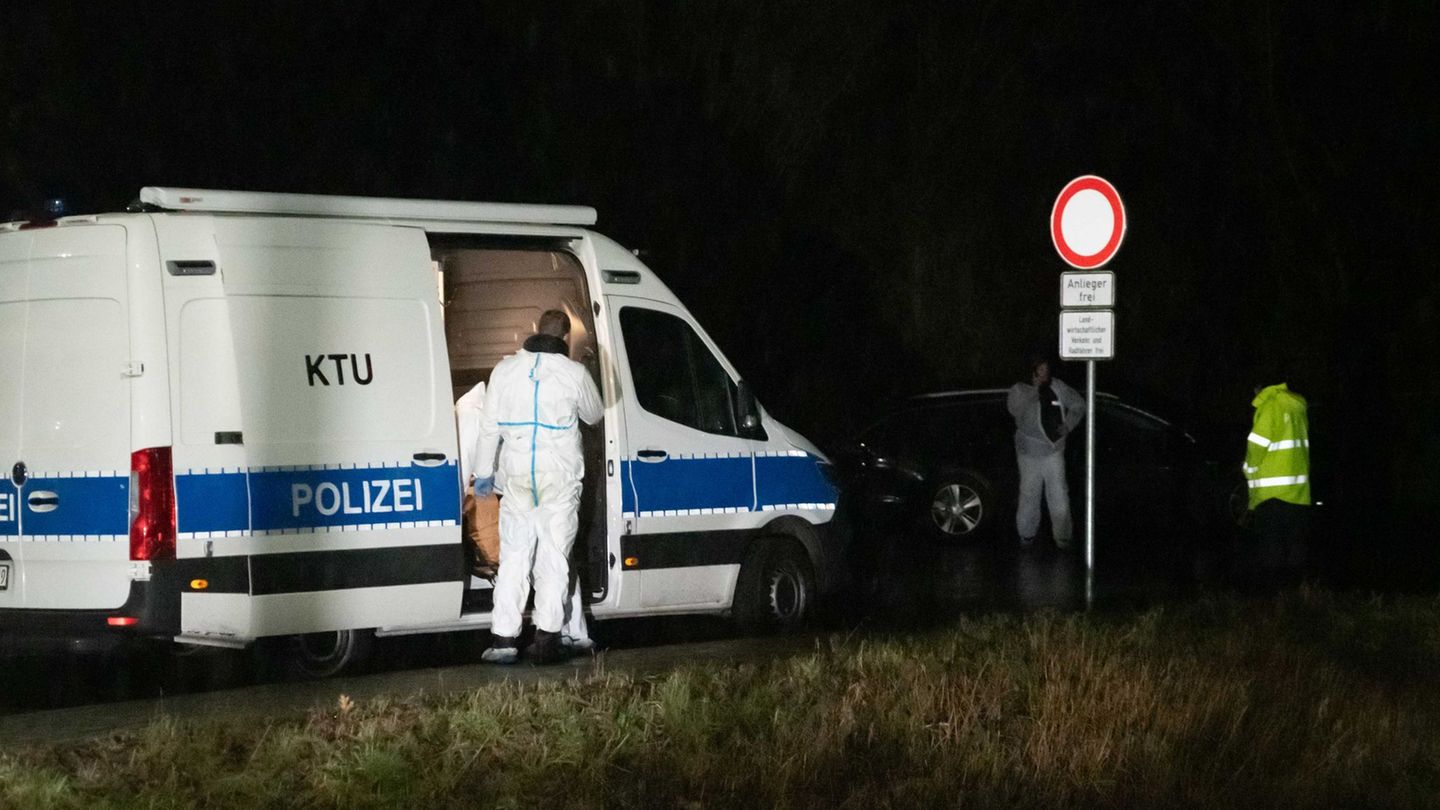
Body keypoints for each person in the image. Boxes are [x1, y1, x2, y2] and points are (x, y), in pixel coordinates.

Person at [472, 309, 604, 664]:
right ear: (564, 337)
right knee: (554, 558)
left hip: (516, 479)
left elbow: (488, 428)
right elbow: (594, 414)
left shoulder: (505, 370)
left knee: (514, 558)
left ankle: (502, 640)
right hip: (558, 480)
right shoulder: (573, 373)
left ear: (534, 331)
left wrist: (482, 472)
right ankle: (546, 640)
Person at [1007, 355, 1086, 549]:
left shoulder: (1058, 386)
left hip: (1054, 451)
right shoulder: (1020, 389)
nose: (1043, 375)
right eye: (1039, 371)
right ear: (1031, 372)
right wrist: (1035, 391)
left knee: (1059, 493)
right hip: (1029, 453)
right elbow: (1015, 410)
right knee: (1029, 494)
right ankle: (1026, 534)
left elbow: (1078, 405)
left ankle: (1063, 537)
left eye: (1046, 370)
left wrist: (1068, 425)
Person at [1243, 379, 1311, 588]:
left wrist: (1248, 469)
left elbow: (1257, 445)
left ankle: (1272, 596)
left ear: (1259, 388)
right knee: (1294, 545)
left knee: (1271, 547)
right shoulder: (1298, 408)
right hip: (1297, 492)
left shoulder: (1270, 405)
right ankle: (1295, 595)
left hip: (1272, 492)